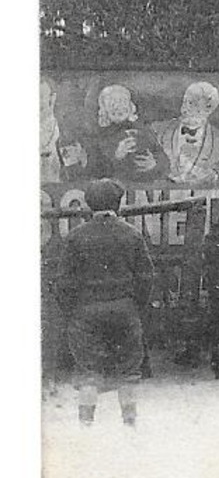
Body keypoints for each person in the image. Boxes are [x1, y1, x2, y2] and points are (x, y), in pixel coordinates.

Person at [49, 179, 155, 426]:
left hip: (86, 312)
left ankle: (86, 427)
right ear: (118, 203)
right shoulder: (132, 234)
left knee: (88, 373)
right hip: (124, 309)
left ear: (89, 204)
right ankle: (130, 426)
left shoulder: (76, 237)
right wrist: (134, 306)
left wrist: (74, 310)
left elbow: (64, 283)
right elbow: (146, 277)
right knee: (128, 373)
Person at [150, 80, 219, 186]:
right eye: (186, 101)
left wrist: (214, 176)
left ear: (208, 109)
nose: (185, 109)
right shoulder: (158, 130)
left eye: (193, 104)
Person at [89, 84, 168, 182]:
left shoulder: (143, 131)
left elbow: (163, 158)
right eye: (113, 104)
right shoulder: (100, 136)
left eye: (123, 102)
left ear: (130, 106)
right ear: (105, 110)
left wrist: (154, 164)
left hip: (145, 188)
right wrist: (117, 155)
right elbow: (95, 170)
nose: (119, 107)